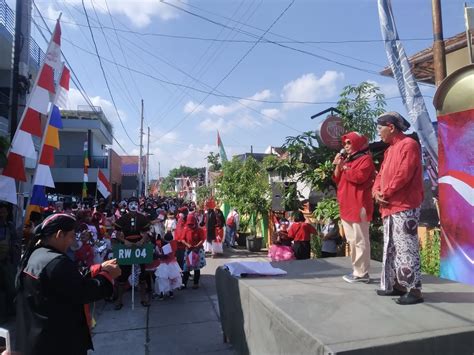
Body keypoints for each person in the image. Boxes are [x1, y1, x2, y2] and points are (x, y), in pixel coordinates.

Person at [15, 213, 121, 355]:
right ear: (59, 234)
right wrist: (108, 276)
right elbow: (82, 292)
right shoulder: (57, 262)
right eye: (71, 236)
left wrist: (98, 268)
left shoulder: (36, 255)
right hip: (58, 342)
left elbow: (67, 283)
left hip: (36, 340)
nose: (72, 242)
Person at [373, 112, 424, 305]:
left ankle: (414, 290)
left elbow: (403, 174)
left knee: (406, 248)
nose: (379, 133)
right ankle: (399, 285)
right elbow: (380, 176)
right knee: (392, 248)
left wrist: (384, 193)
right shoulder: (390, 150)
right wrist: (376, 191)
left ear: (391, 127)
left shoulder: (409, 145)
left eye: (380, 129)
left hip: (405, 206)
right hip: (389, 207)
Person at [333, 131, 375, 283]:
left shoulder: (365, 160)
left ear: (357, 143)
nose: (346, 146)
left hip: (359, 205)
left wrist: (344, 167)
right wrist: (338, 165)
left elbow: (359, 177)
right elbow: (337, 179)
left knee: (360, 239)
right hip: (346, 205)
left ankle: (362, 273)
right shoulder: (348, 161)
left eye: (349, 142)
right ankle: (357, 270)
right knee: (352, 240)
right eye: (345, 143)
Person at [113, 197, 151, 309]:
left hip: (140, 248)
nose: (133, 206)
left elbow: (146, 233)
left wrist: (142, 241)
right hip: (126, 248)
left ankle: (143, 298)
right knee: (123, 275)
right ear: (128, 205)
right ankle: (119, 300)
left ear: (138, 205)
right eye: (131, 204)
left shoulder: (142, 218)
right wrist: (124, 241)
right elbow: (117, 233)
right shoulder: (122, 218)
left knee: (142, 274)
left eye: (135, 203)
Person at [0, 203, 20, 324]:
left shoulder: (10, 226)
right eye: (0, 211)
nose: (2, 214)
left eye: (4, 212)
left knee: (10, 289)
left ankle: (9, 312)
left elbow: (16, 242)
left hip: (7, 263)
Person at [181, 214, 206, 289]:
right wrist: (187, 245)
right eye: (189, 224)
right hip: (188, 250)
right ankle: (184, 284)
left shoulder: (199, 230)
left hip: (197, 250)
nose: (190, 226)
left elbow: (202, 239)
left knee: (196, 267)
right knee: (185, 268)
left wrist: (197, 246)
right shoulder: (185, 229)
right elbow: (182, 239)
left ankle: (196, 283)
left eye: (192, 224)